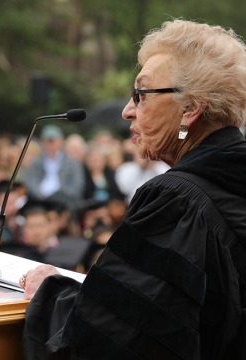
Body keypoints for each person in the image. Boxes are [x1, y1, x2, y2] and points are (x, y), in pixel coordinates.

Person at [21, 19, 246, 360]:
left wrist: (49, 294)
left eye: (141, 94)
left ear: (191, 109)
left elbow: (117, 343)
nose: (128, 111)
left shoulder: (176, 203)